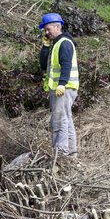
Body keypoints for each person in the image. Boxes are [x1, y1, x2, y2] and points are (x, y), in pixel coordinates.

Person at [38, 13, 78, 157]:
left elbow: (66, 65)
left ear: (57, 26)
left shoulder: (64, 43)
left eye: (48, 29)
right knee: (66, 119)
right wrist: (45, 46)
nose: (46, 32)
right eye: (45, 30)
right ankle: (71, 153)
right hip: (61, 88)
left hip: (64, 88)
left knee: (59, 120)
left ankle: (60, 154)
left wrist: (62, 84)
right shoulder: (55, 44)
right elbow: (43, 65)